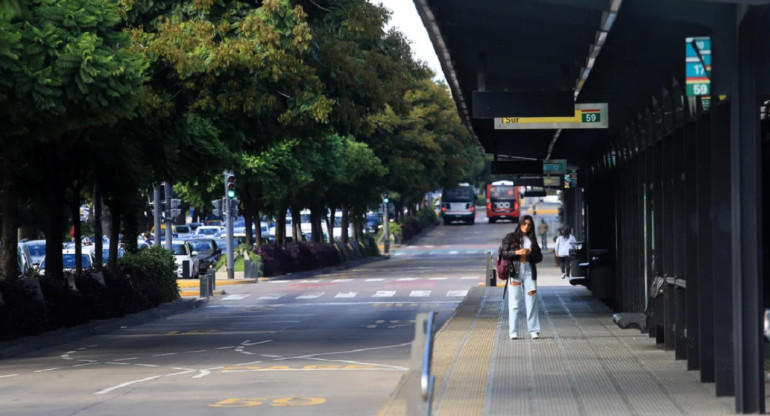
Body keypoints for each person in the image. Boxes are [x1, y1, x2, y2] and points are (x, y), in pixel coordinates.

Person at [501, 215, 543, 340]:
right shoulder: (510, 237)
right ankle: (513, 332)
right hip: (516, 271)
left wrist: (530, 254)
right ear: (520, 224)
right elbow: (504, 253)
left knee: (532, 302)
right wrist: (517, 252)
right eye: (524, 224)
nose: (526, 226)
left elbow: (539, 258)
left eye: (529, 224)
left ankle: (534, 330)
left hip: (530, 271)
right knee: (514, 302)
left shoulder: (532, 240)